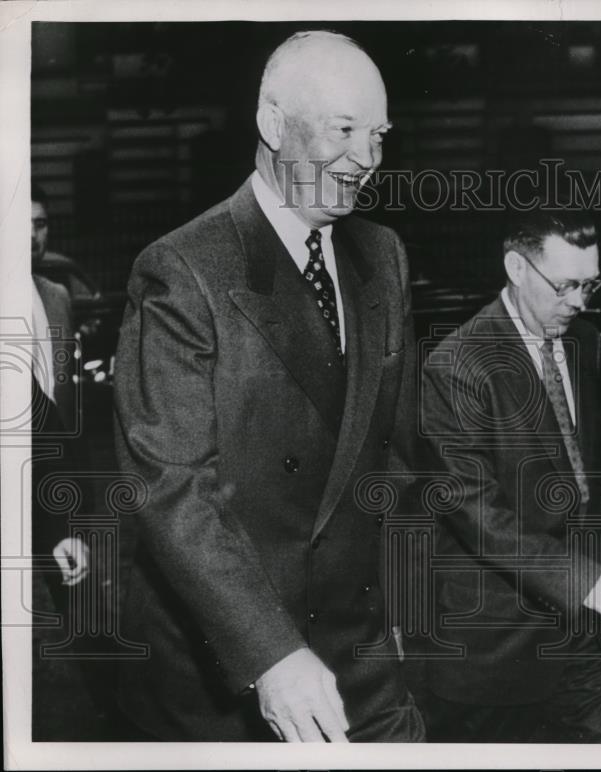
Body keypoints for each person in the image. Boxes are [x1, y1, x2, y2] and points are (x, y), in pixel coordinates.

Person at [113, 30, 424, 742]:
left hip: (361, 655)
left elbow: (397, 462)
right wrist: (271, 652)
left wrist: (403, 616)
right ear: (273, 124)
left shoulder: (385, 257)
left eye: (378, 135)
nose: (366, 160)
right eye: (343, 130)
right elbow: (170, 486)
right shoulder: (184, 269)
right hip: (228, 671)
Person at [419, 210, 601, 742]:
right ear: (516, 268)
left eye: (589, 283)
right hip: (494, 642)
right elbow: (477, 513)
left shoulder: (583, 342)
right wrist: (582, 579)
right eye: (566, 285)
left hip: (582, 627)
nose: (579, 302)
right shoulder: (457, 364)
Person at [30, 184, 91, 596]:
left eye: (41, 223)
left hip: (59, 486)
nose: (33, 236)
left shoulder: (57, 297)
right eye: (21, 224)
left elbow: (66, 405)